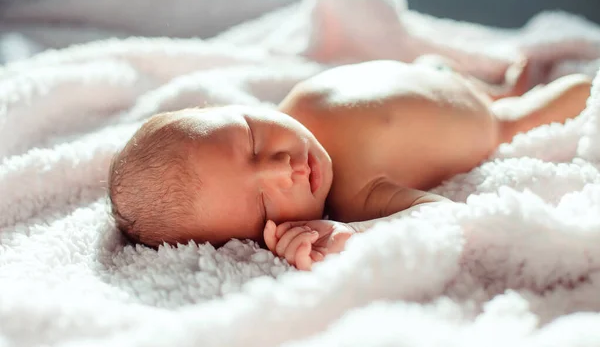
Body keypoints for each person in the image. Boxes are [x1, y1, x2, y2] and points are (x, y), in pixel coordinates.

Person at [108, 58, 592, 270]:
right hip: (484, 120)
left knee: (440, 68)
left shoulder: (295, 104)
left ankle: (488, 81)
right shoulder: (358, 197)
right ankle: (527, 94)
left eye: (252, 137)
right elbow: (438, 213)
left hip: (427, 75)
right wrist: (355, 236)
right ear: (262, 237)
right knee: (543, 106)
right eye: (262, 202)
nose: (282, 166)